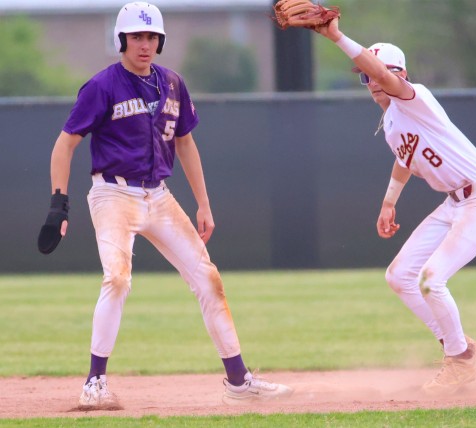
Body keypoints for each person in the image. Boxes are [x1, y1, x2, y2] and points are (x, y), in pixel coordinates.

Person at [37, 2, 292, 409]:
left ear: (160, 41)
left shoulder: (172, 83)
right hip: (113, 193)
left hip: (158, 195)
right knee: (117, 279)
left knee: (208, 279)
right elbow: (64, 144)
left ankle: (239, 382)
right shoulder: (102, 86)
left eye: (152, 36)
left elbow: (185, 143)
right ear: (121, 40)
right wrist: (58, 204)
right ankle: (94, 383)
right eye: (136, 36)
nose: (145, 44)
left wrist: (203, 203)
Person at [316, 19, 476, 394]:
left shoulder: (415, 98)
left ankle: (459, 362)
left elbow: (384, 76)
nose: (373, 82)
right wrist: (388, 202)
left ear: (402, 75)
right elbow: (404, 159)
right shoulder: (392, 121)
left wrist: (336, 36)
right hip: (455, 202)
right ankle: (460, 346)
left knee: (430, 279)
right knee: (400, 276)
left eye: (379, 74)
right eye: (365, 77)